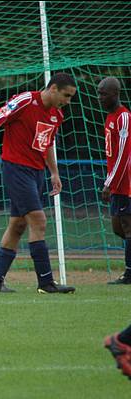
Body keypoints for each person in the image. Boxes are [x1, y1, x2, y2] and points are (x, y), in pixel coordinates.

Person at [0, 73, 77, 294]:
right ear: (54, 88)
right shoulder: (25, 101)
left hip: (37, 174)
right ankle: (46, 283)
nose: (67, 101)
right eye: (66, 95)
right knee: (39, 221)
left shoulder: (56, 115)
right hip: (16, 170)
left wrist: (54, 173)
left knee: (18, 226)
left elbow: (46, 143)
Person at [97, 77, 131, 285]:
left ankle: (129, 273)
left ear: (115, 93)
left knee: (127, 226)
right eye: (99, 93)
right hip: (116, 181)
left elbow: (124, 155)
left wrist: (110, 182)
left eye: (103, 93)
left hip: (126, 183)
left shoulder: (124, 117)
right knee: (117, 227)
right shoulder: (109, 117)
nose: (99, 97)